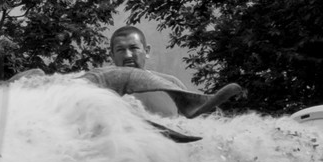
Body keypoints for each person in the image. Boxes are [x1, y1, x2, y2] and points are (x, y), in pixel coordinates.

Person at [87, 26, 245, 119]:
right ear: (112, 55)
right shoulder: (96, 91)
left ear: (146, 51)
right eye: (120, 50)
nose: (128, 55)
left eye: (134, 48)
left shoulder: (172, 84)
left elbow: (191, 129)